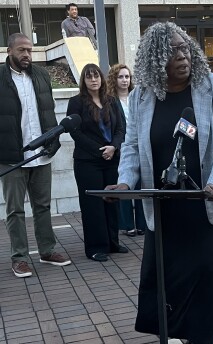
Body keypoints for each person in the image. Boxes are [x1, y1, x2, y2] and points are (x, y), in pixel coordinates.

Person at [106, 22, 213, 342]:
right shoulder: (141, 96)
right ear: (155, 59)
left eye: (185, 47)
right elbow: (133, 147)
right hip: (165, 211)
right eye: (173, 50)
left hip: (208, 205)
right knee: (169, 285)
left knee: (210, 283)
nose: (183, 55)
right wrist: (125, 183)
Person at [0, 33, 71, 278]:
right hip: (12, 156)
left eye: (29, 50)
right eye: (21, 50)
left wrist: (53, 140)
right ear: (9, 51)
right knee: (15, 210)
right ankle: (19, 257)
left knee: (43, 206)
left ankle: (47, 250)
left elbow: (48, 109)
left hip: (42, 153)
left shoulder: (41, 75)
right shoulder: (0, 77)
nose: (27, 55)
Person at [67, 63, 128, 262]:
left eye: (96, 76)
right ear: (83, 81)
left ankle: (112, 242)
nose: (93, 80)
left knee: (111, 201)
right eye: (89, 77)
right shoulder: (76, 102)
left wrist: (113, 147)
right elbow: (74, 132)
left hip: (111, 158)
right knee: (92, 205)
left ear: (101, 79)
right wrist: (98, 151)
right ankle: (95, 247)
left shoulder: (111, 100)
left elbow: (121, 128)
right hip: (88, 161)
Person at [107, 63, 148, 237]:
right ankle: (127, 224)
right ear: (114, 79)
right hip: (121, 148)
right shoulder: (110, 100)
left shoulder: (137, 96)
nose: (125, 80)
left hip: (139, 146)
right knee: (124, 185)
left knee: (140, 187)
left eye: (127, 77)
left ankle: (142, 224)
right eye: (121, 77)